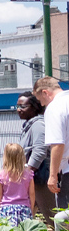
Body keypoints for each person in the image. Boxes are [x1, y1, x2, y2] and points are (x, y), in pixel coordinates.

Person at [16, 92, 54, 223]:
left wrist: (27, 173)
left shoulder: (38, 125)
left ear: (34, 107)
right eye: (17, 106)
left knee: (53, 218)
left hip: (40, 180)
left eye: (23, 106)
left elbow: (40, 151)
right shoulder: (29, 126)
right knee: (26, 219)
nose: (18, 109)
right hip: (33, 180)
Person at [37, 76, 69, 208]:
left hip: (67, 170)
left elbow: (57, 144)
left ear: (45, 92)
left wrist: (53, 175)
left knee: (64, 216)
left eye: (41, 100)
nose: (42, 105)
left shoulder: (54, 108)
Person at [0, 143, 33, 225]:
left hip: (6, 208)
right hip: (24, 208)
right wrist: (31, 208)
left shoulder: (1, 175)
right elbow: (32, 194)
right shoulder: (28, 174)